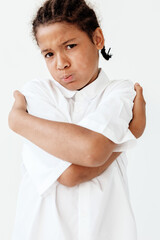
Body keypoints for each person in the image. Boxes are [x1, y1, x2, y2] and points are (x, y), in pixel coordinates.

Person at [8, 0, 146, 239]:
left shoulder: (121, 92)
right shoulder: (35, 95)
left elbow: (91, 152)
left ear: (98, 39)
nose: (61, 63)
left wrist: (20, 121)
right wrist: (127, 137)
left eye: (70, 46)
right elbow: (71, 174)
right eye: (49, 54)